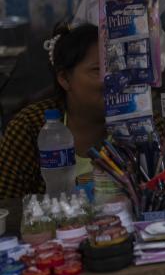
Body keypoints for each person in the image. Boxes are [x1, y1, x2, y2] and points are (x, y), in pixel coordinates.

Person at [0, 24, 103, 198]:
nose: (116, 79)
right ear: (64, 78)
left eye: (119, 68)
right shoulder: (30, 127)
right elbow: (5, 206)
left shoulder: (143, 125)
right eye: (98, 70)